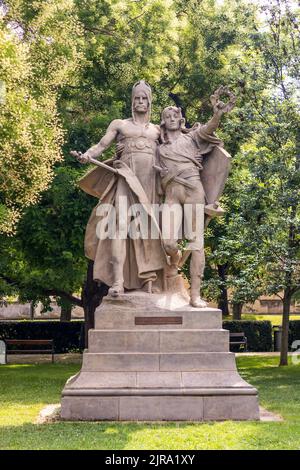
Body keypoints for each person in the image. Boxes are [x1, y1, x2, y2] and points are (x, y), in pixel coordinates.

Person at [73, 80, 167, 296]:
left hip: (149, 185)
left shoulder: (156, 130)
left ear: (150, 102)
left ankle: (148, 281)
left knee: (147, 231)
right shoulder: (120, 124)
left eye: (144, 98)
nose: (140, 102)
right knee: (118, 229)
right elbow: (101, 145)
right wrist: (88, 154)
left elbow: (175, 148)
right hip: (125, 179)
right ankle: (117, 282)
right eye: (137, 98)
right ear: (132, 101)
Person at [158, 86, 236, 307]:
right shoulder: (159, 147)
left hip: (193, 191)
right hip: (171, 195)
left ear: (180, 119)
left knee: (196, 243)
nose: (172, 118)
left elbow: (211, 127)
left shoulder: (192, 138)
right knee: (169, 242)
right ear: (163, 121)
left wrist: (218, 113)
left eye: (175, 115)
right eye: (167, 116)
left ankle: (195, 295)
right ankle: (175, 262)